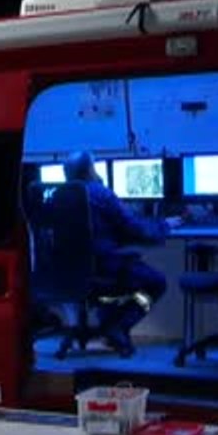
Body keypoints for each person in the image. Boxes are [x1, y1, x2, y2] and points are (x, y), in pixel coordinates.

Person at [65, 151, 181, 356]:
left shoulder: (58, 196)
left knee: (111, 279)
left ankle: (111, 326)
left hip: (70, 275)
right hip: (105, 271)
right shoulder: (100, 193)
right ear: (91, 169)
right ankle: (119, 326)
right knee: (156, 283)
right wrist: (165, 224)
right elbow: (135, 228)